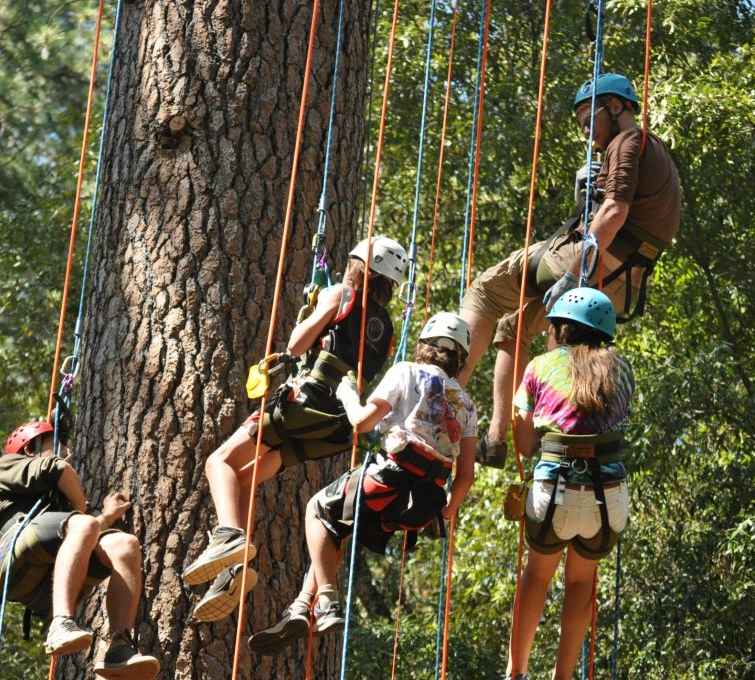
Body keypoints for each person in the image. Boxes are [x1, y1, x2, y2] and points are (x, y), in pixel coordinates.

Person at [458, 72, 680, 467]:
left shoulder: (628, 140)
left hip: (594, 259)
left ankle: (443, 392)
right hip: (622, 278)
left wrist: (569, 273)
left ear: (615, 107)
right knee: (515, 327)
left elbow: (614, 211)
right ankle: (501, 438)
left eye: (587, 119)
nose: (586, 133)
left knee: (486, 291)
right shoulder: (657, 153)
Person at [182, 236, 407, 622]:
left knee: (218, 463)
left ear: (359, 265)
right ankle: (234, 571)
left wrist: (316, 313)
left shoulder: (341, 292)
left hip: (306, 402)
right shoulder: (386, 329)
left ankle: (229, 540)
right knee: (244, 482)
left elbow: (296, 344)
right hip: (334, 428)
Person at [247, 312, 478, 655]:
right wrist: (445, 512)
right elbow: (467, 475)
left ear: (425, 346)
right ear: (460, 359)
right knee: (336, 528)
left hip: (389, 480)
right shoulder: (467, 405)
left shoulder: (406, 372)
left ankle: (326, 601)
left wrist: (345, 393)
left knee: (317, 510)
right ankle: (302, 604)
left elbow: (362, 422)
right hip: (424, 504)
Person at [504, 288, 634, 680]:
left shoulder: (540, 367)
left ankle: (517, 671)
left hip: (553, 490)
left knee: (537, 575)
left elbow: (526, 442)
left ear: (561, 328)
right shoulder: (623, 368)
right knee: (581, 581)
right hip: (607, 498)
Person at [0, 420, 160, 679]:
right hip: (15, 557)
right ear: (30, 450)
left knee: (125, 545)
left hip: (48, 582)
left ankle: (119, 646)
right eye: (57, 444)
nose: (66, 450)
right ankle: (60, 624)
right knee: (83, 524)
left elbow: (81, 533)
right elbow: (58, 470)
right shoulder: (6, 465)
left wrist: (106, 518)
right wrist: (81, 512)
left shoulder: (64, 510)